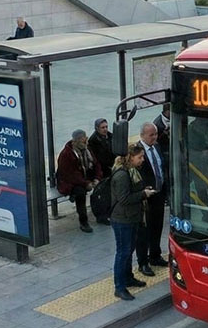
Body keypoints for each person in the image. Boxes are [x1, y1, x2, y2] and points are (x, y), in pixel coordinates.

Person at [110, 144, 154, 300]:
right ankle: (119, 286)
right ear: (130, 157)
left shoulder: (133, 171)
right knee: (123, 252)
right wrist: (143, 194)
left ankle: (128, 278)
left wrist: (143, 190)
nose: (142, 159)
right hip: (123, 219)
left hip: (133, 217)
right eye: (140, 157)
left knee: (129, 250)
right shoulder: (122, 175)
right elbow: (124, 199)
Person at [135, 122, 167, 274]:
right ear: (142, 135)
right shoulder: (136, 152)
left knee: (157, 226)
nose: (154, 137)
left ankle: (155, 255)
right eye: (151, 135)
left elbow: (161, 167)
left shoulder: (157, 147)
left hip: (159, 194)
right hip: (145, 198)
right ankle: (143, 262)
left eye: (155, 134)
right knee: (144, 231)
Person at [56, 129, 102, 233]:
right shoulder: (66, 154)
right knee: (80, 193)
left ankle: (101, 215)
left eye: (85, 140)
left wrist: (97, 178)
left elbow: (96, 164)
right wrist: (86, 184)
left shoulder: (87, 150)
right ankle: (83, 221)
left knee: (102, 185)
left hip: (84, 178)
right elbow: (70, 175)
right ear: (75, 141)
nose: (85, 143)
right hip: (69, 182)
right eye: (83, 141)